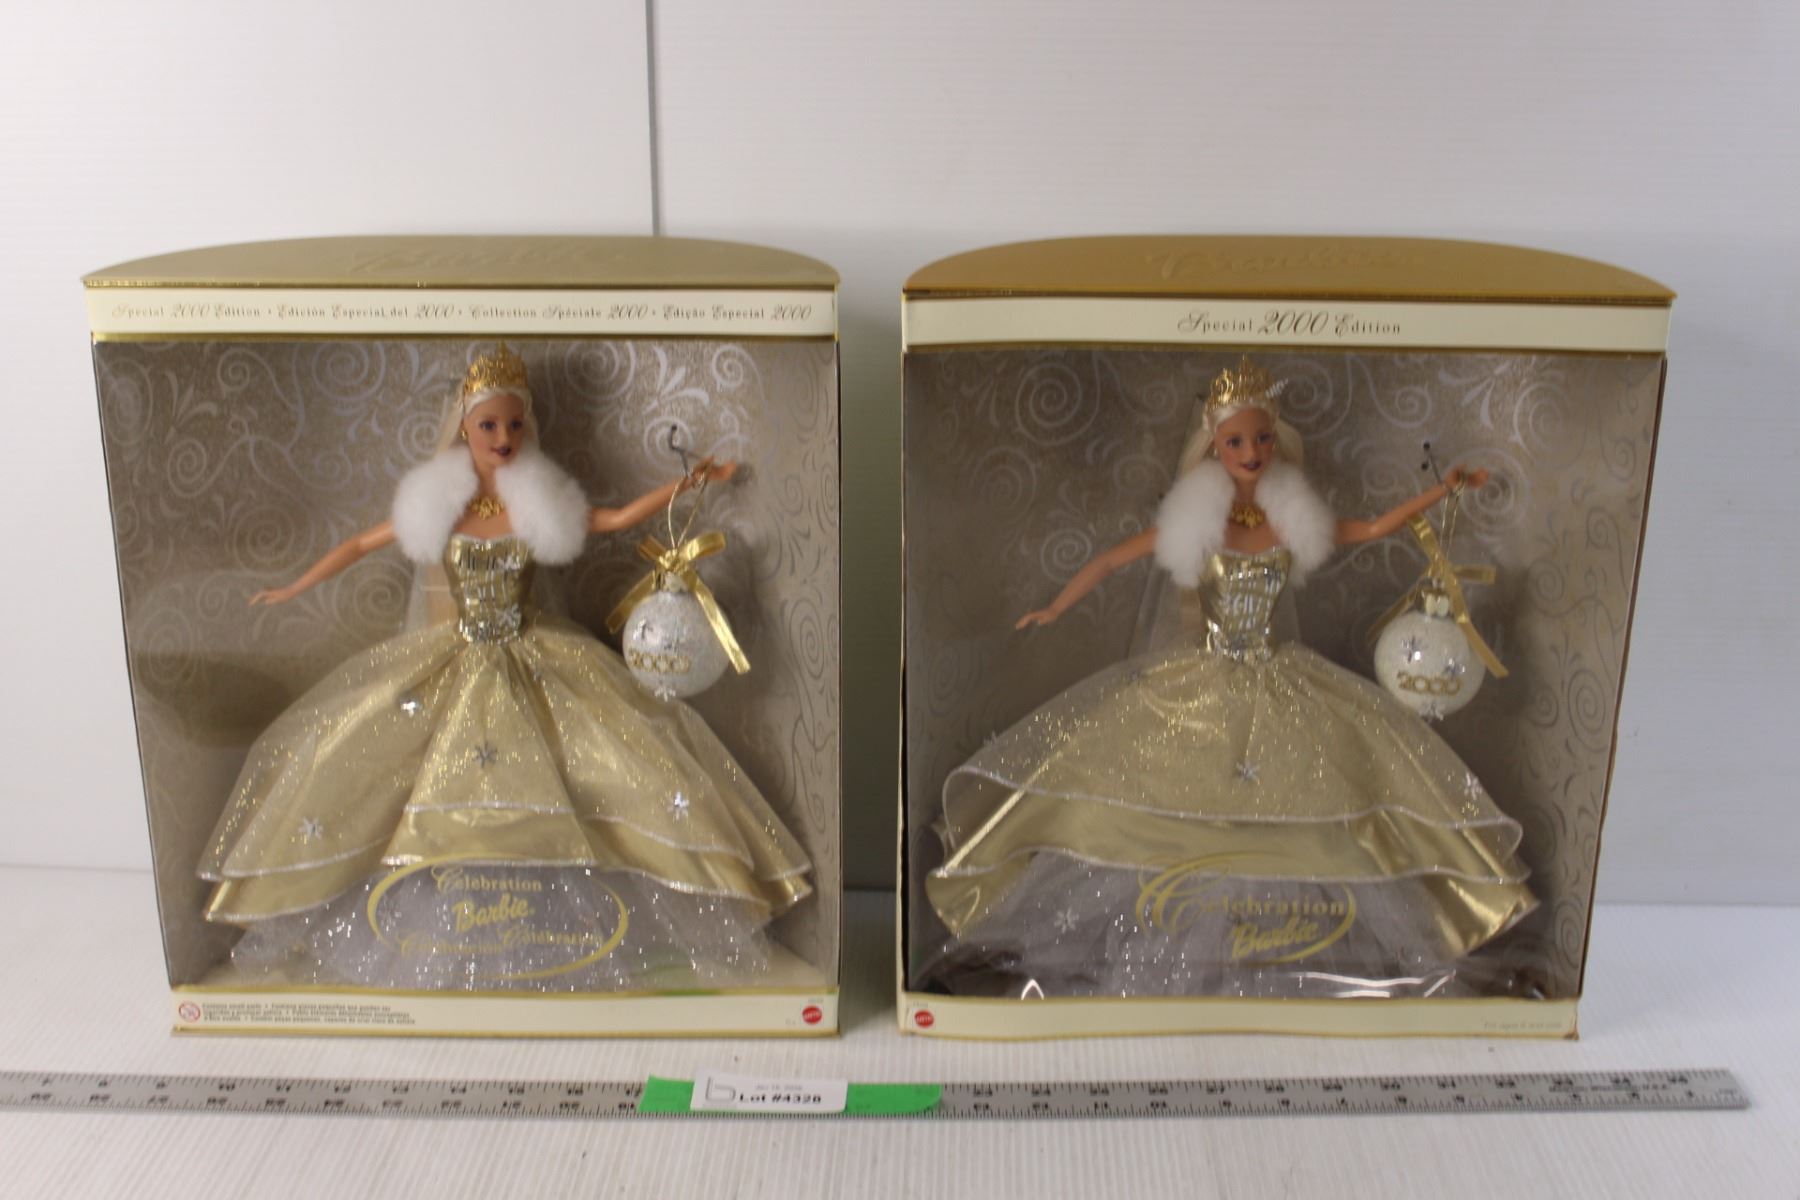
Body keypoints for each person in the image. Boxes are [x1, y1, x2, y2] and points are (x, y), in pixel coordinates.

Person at [199, 344, 811, 990]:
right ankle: (451, 916)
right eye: (489, 425)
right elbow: (358, 543)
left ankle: (553, 917)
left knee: (606, 762)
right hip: (457, 655)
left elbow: (614, 519)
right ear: (464, 428)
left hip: (533, 651)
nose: (503, 438)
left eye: (515, 425)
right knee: (383, 764)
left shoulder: (536, 505)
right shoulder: (440, 508)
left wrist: (690, 483)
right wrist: (292, 588)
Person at [923, 357, 1535, 999]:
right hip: (1202, 680)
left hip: (1281, 678)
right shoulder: (1198, 524)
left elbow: (1373, 527)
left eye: (1262, 438)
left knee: (1316, 795)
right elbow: (1110, 561)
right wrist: (1054, 607)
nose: (1252, 452)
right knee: (1165, 794)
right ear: (1214, 445)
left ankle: (1290, 943)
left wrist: (1443, 492)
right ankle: (1187, 930)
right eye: (1237, 441)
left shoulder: (1291, 521)